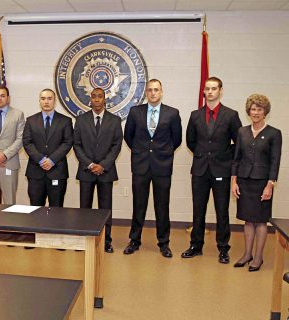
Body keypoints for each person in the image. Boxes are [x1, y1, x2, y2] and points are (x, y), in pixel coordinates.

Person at [181, 77, 242, 264]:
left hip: (221, 170)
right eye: (207, 88)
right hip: (200, 170)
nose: (210, 92)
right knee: (198, 210)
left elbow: (239, 143)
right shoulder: (195, 115)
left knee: (221, 211)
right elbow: (190, 141)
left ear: (220, 91)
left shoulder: (231, 115)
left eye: (213, 88)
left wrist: (224, 157)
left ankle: (223, 248)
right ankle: (196, 245)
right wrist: (203, 155)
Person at [123, 79, 182, 258]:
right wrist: (142, 152)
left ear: (161, 92)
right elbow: (128, 137)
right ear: (146, 93)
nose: (153, 93)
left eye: (156, 90)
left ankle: (164, 243)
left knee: (162, 206)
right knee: (138, 205)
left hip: (162, 166)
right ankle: (134, 240)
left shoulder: (172, 113)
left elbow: (177, 139)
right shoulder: (135, 112)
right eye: (149, 90)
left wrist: (161, 152)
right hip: (140, 165)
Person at [231, 94, 281, 272]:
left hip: (262, 183)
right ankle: (247, 254)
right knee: (247, 220)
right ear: (248, 111)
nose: (256, 112)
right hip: (243, 181)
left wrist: (270, 185)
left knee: (260, 221)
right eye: (253, 109)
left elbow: (275, 162)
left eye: (260, 109)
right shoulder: (242, 132)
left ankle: (258, 257)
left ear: (265, 111)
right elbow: (236, 159)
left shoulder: (274, 133)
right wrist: (234, 181)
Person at [73, 87, 123, 253]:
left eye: (99, 97)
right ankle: (83, 240)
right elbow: (77, 145)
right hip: (86, 171)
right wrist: (90, 164)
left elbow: (117, 145)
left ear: (104, 100)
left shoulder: (115, 120)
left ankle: (106, 241)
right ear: (90, 100)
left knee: (105, 209)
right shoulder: (80, 120)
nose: (96, 99)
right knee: (84, 209)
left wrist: (103, 165)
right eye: (93, 96)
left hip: (106, 172)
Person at [23, 89, 73, 207]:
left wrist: (51, 160)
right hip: (35, 172)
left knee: (56, 208)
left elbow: (67, 142)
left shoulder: (65, 121)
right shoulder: (31, 120)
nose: (46, 101)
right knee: (35, 208)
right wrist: (41, 159)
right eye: (43, 99)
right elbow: (27, 142)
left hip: (57, 171)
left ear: (55, 101)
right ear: (39, 101)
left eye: (49, 99)